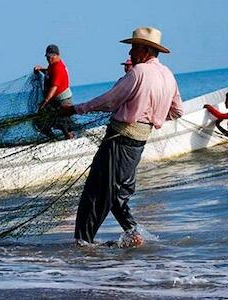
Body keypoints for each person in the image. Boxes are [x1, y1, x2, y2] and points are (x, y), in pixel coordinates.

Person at [60, 27, 184, 247]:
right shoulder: (168, 75)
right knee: (116, 194)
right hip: (137, 143)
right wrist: (151, 114)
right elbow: (176, 112)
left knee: (95, 194)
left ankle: (83, 245)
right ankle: (134, 235)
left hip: (119, 140)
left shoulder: (138, 73)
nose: (130, 53)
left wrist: (76, 109)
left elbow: (109, 101)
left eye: (134, 47)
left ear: (146, 50)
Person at [33, 44, 75, 139]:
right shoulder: (52, 66)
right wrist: (41, 69)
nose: (49, 59)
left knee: (64, 122)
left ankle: (69, 137)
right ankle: (53, 138)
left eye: (51, 57)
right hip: (54, 101)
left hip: (63, 100)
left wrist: (44, 102)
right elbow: (49, 73)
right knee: (39, 121)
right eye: (47, 57)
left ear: (57, 55)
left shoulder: (58, 68)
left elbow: (54, 88)